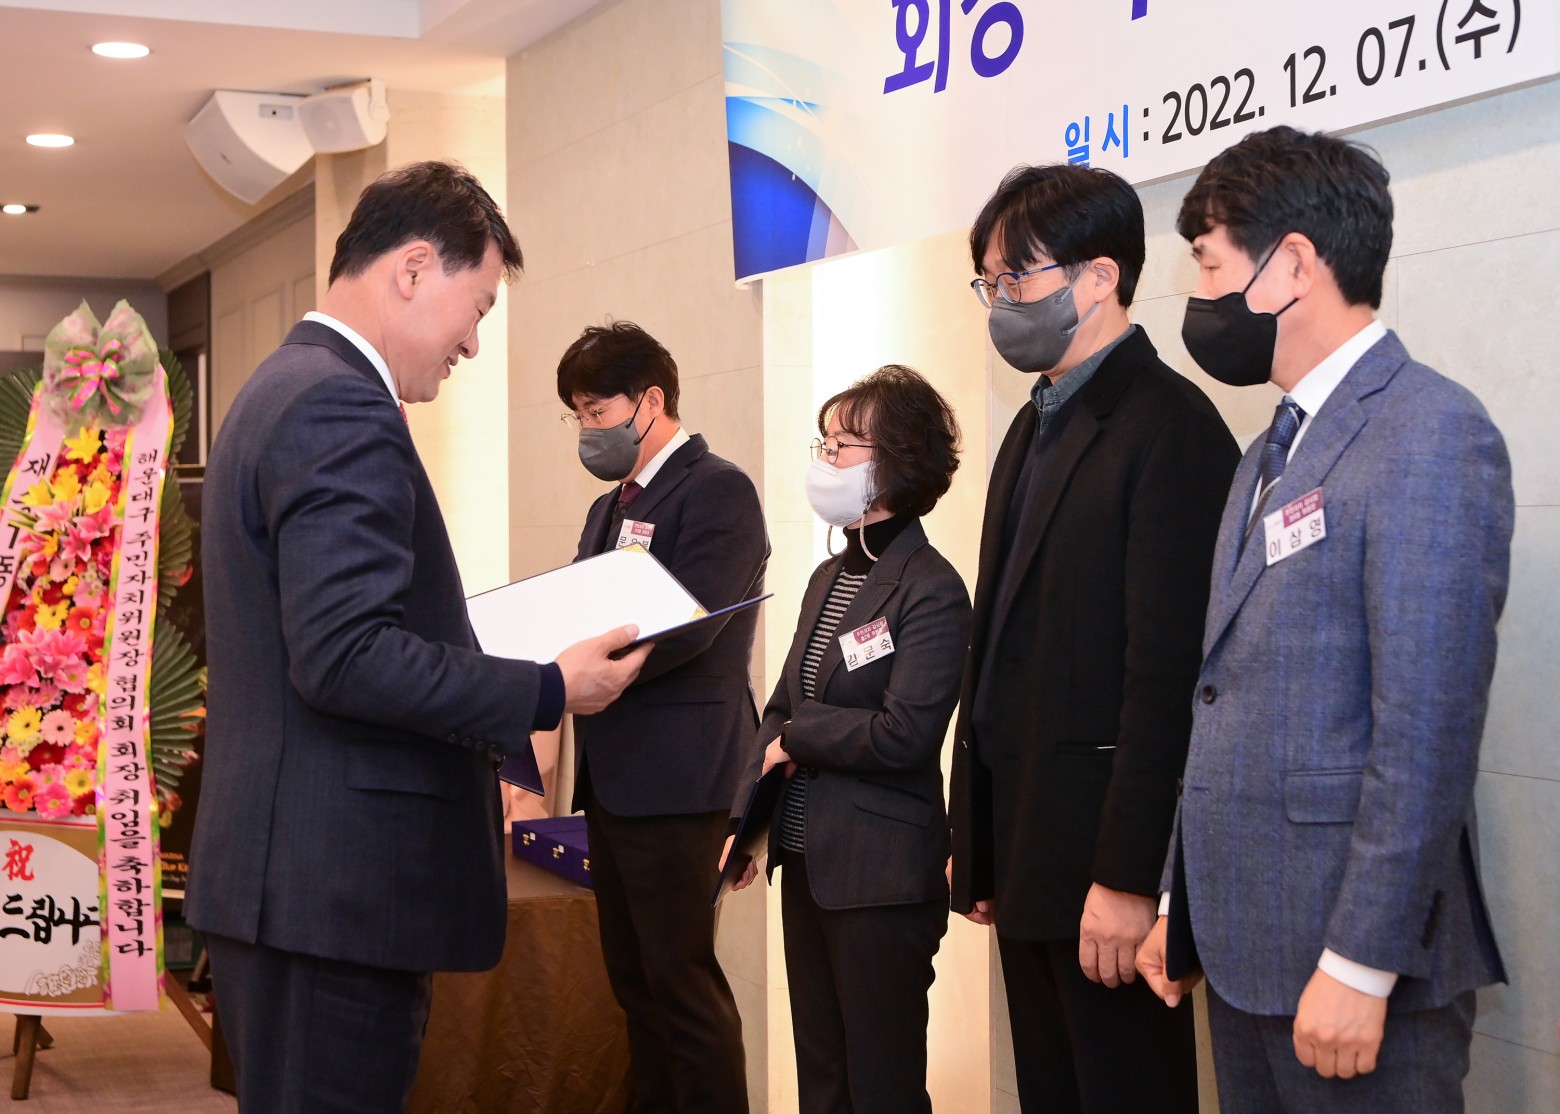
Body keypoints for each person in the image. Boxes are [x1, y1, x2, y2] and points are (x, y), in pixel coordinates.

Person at [186, 161, 650, 1113]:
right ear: (411, 269)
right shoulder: (338, 403)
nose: (472, 343)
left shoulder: (281, 385)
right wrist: (546, 686)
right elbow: (345, 654)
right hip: (334, 889)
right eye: (476, 307)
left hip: (296, 881)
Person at [1137, 126, 1513, 1113]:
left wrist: (1360, 960)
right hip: (1245, 949)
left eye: (1210, 264)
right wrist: (1181, 900)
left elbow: (1427, 728)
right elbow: (1222, 694)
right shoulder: (1268, 453)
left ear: (1294, 264)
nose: (1201, 294)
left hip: (1351, 968)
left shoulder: (1430, 431)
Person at [947, 164, 1239, 1113]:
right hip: (1027, 856)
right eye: (989, 282)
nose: (1001, 302)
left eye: (1016, 277)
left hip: (1103, 874)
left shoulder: (1169, 427)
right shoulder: (1031, 427)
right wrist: (978, 844)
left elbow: (1168, 679)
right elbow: (998, 652)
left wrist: (1128, 878)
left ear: (1101, 276)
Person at [725, 364, 971, 1114]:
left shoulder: (932, 587)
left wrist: (800, 736)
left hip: (882, 876)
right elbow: (780, 707)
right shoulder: (828, 576)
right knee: (823, 1081)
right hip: (805, 861)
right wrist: (745, 825)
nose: (826, 459)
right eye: (825, 443)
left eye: (844, 445)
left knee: (882, 1087)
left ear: (897, 460)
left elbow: (904, 733)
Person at [558, 320, 768, 1114]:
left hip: (683, 779)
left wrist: (591, 658)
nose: (587, 428)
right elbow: (575, 609)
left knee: (683, 988)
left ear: (651, 401)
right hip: (612, 780)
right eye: (578, 414)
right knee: (635, 985)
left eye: (598, 410)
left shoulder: (717, 490)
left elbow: (692, 622)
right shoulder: (607, 507)